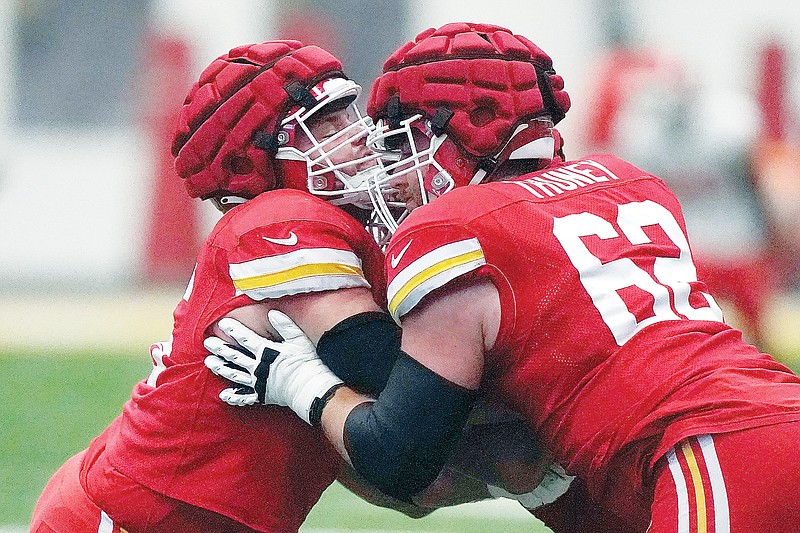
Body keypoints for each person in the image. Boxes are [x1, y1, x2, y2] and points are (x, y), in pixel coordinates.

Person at [205, 23, 800, 532]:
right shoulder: (628, 180)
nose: (392, 170)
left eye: (405, 142)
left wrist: (296, 380)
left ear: (465, 133)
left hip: (710, 450)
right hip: (768, 414)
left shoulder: (455, 227)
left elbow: (400, 456)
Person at [31, 38, 572, 532]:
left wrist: (521, 470)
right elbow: (381, 371)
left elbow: (399, 476)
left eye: (349, 115)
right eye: (327, 127)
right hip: (126, 515)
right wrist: (535, 425)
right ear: (260, 158)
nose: (360, 136)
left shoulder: (344, 237)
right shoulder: (278, 217)